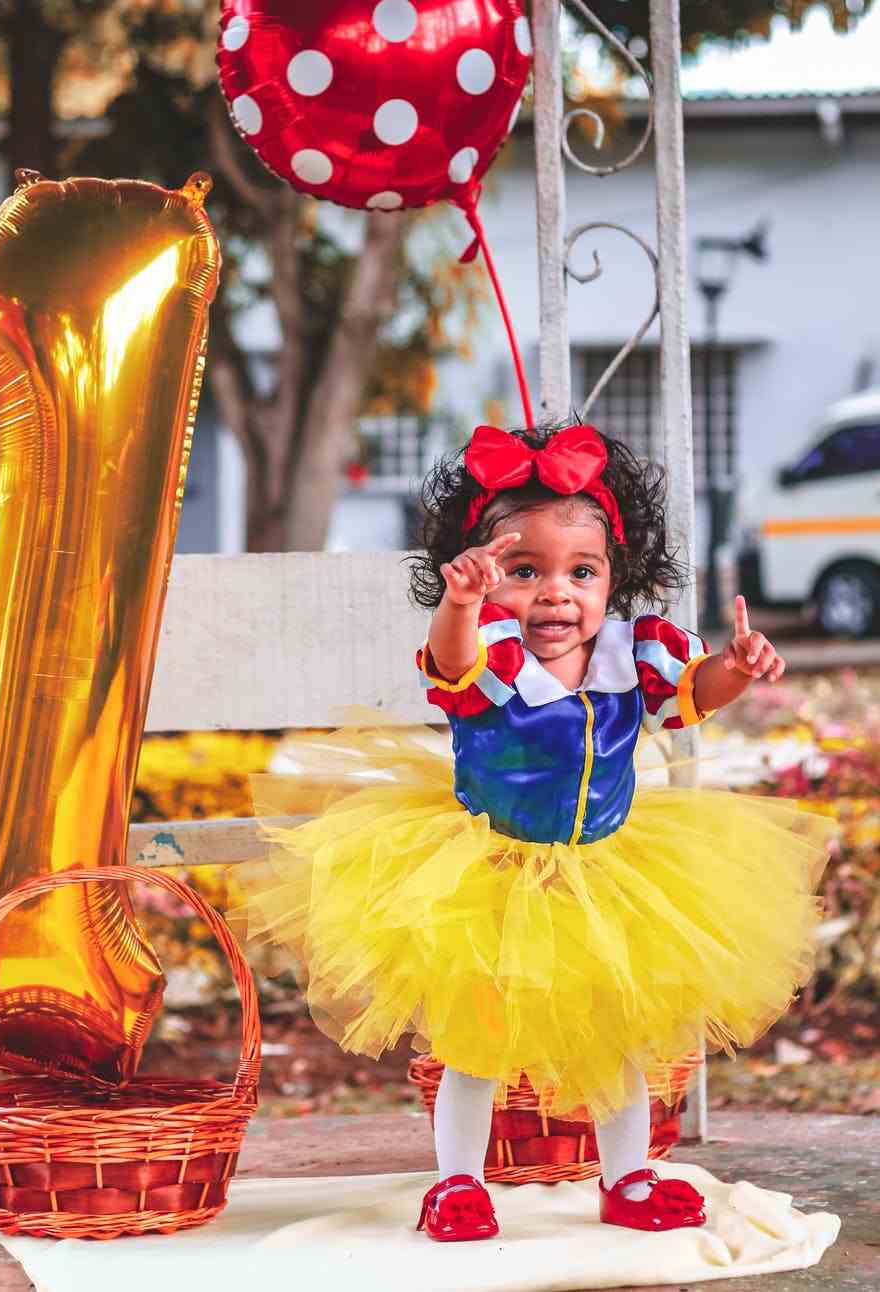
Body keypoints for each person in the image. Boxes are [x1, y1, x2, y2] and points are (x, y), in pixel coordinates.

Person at [237, 421, 835, 1242]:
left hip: (610, 872)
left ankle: (625, 1178)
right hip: (487, 874)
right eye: (524, 571)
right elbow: (447, 661)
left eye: (580, 572)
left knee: (619, 1042)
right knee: (478, 1045)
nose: (555, 593)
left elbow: (694, 693)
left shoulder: (639, 652)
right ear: (486, 579)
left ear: (614, 578)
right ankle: (458, 1184)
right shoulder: (486, 655)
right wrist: (461, 602)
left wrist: (739, 664)